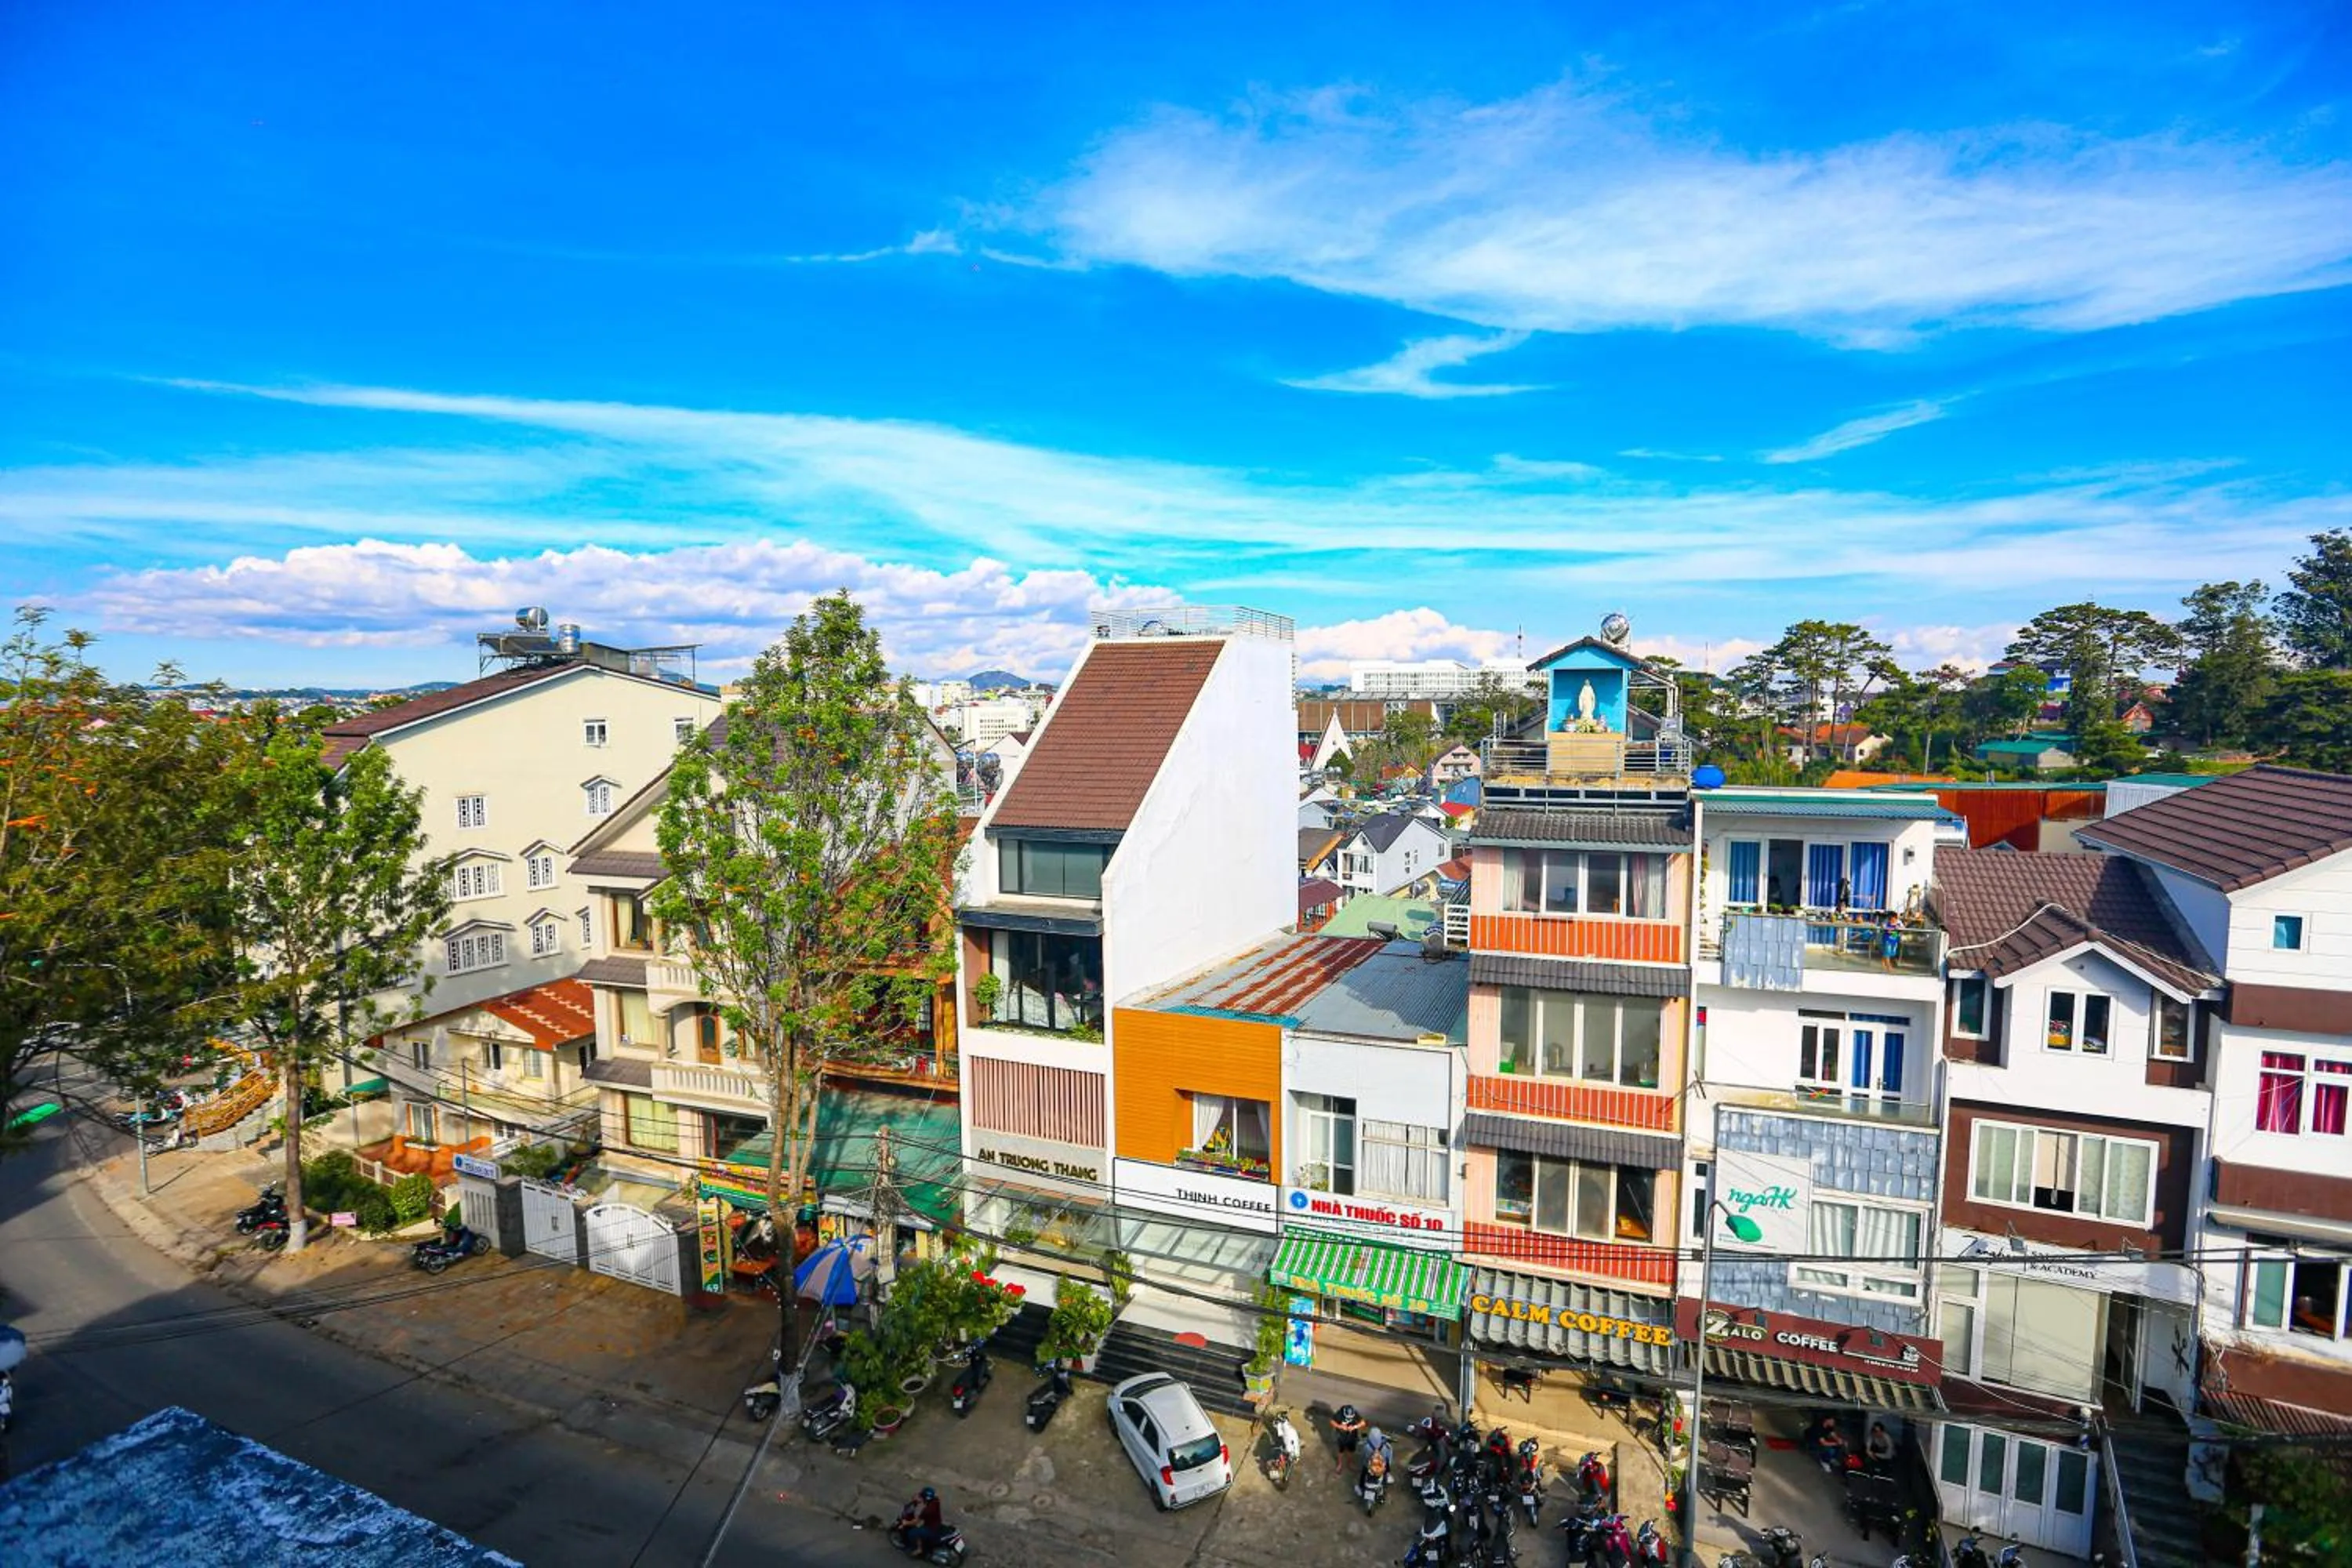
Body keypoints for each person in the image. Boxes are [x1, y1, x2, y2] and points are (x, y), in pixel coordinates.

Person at [900, 1486, 945, 1554]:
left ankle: (919, 1549)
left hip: (931, 1529)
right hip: (936, 1523)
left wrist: (906, 1523)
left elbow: (915, 1522)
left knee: (913, 1533)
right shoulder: (936, 1501)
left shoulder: (927, 1511)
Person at [1332, 1403, 1366, 1473]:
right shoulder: (1339, 1414)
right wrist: (1340, 1426)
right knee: (1341, 1451)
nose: (1350, 1418)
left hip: (1352, 1435)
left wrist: (1354, 1427)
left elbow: (1363, 1423)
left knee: (1351, 1450)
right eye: (1348, 1417)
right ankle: (1340, 1464)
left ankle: (1350, 1464)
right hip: (1341, 1436)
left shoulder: (1354, 1413)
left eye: (1351, 1417)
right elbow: (1332, 1421)